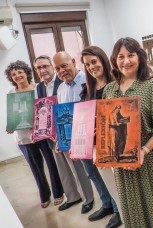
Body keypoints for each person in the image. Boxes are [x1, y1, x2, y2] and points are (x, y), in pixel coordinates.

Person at [103, 37, 153, 227]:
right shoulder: (109, 90)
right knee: (131, 208)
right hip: (121, 164)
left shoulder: (151, 87)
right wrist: (106, 153)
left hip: (148, 160)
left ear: (140, 58)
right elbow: (107, 125)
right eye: (121, 56)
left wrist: (142, 151)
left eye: (131, 55)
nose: (126, 61)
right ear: (114, 60)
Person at [5, 60, 64, 208]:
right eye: (13, 74)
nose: (17, 76)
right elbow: (13, 115)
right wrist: (10, 125)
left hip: (41, 133)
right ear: (11, 78)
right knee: (35, 168)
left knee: (51, 164)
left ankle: (58, 193)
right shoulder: (11, 93)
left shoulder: (38, 88)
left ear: (26, 73)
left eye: (20, 72)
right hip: (23, 137)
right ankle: (44, 196)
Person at [80, 45, 122, 227]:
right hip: (97, 145)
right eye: (87, 64)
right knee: (107, 181)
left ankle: (122, 211)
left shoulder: (117, 84)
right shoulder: (87, 89)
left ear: (102, 60)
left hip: (117, 143)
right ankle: (115, 209)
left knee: (120, 181)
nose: (91, 67)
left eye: (94, 62)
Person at [52, 52, 94, 214]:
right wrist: (60, 139)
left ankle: (112, 204)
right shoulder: (61, 88)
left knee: (98, 173)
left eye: (64, 65)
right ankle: (88, 199)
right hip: (73, 137)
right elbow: (63, 115)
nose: (62, 71)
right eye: (57, 69)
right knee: (82, 171)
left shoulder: (87, 80)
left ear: (74, 62)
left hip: (91, 134)